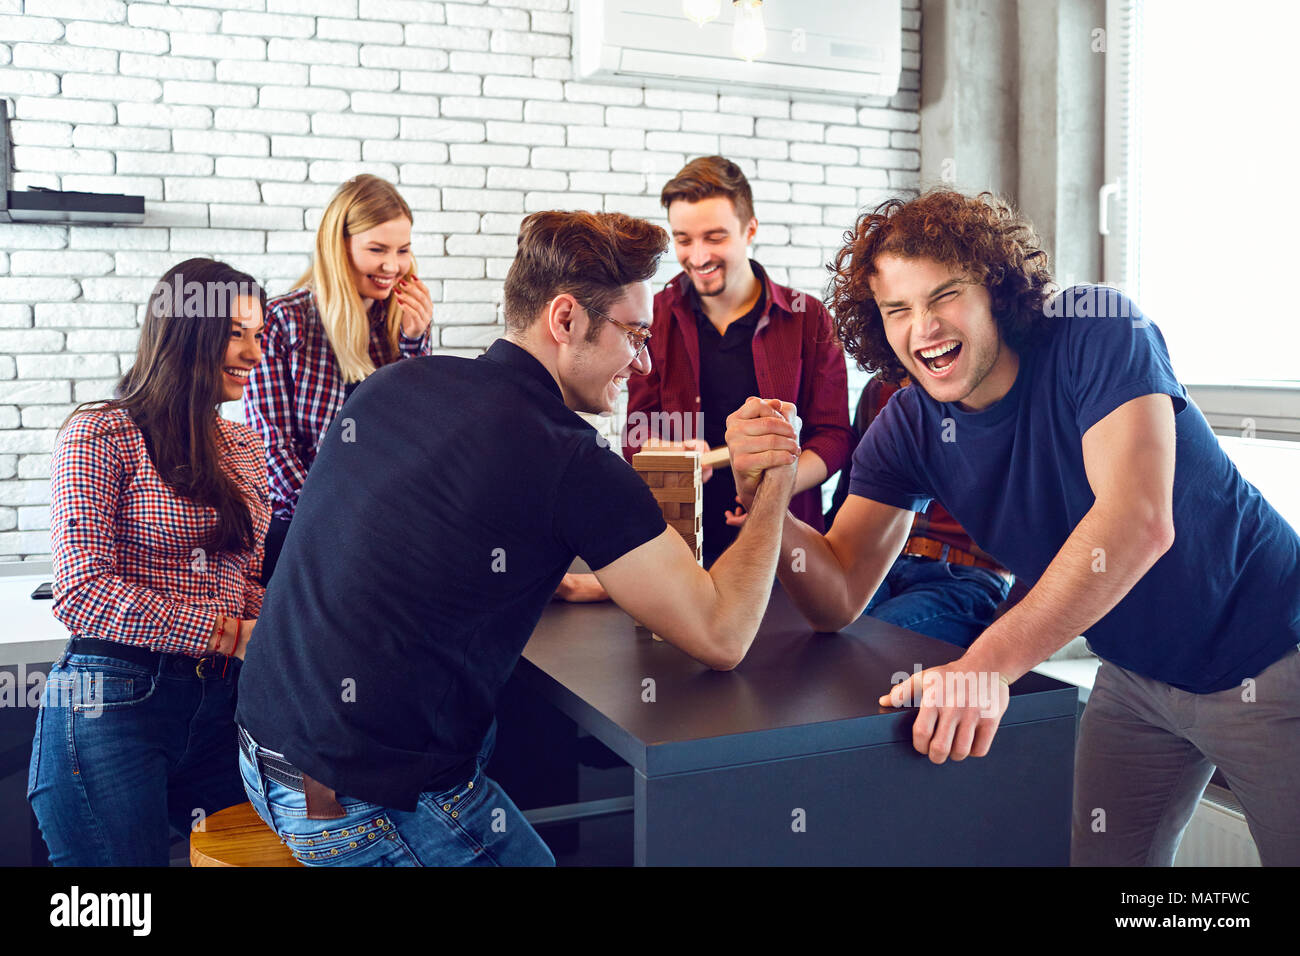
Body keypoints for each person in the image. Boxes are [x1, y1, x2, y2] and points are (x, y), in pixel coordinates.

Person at [728, 189, 1300, 866]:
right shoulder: (909, 423)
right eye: (898, 310)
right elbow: (838, 596)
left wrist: (982, 668)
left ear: (998, 291)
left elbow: (1138, 521)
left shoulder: (1102, 331)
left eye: (945, 296)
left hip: (1270, 652)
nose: (924, 328)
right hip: (1135, 674)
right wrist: (766, 492)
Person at [233, 211, 801, 867]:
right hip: (365, 809)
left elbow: (402, 542)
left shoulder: (393, 385)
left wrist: (569, 580)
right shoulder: (571, 459)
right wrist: (778, 481)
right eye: (634, 335)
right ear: (565, 320)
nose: (641, 361)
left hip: (262, 759)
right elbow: (723, 633)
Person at [28, 259, 270, 866]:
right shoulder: (101, 432)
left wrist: (296, 631)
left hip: (221, 708)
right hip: (113, 702)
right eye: (237, 334)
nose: (253, 354)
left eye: (258, 336)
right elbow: (82, 591)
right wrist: (229, 633)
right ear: (186, 330)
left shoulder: (242, 445)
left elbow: (246, 581)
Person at [623, 155, 854, 568]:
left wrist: (770, 496)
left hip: (786, 548)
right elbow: (635, 434)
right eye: (683, 239)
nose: (697, 256)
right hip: (679, 550)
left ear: (750, 230)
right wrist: (663, 451)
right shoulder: (653, 318)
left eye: (714, 237)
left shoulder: (809, 317)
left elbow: (834, 437)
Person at [242, 174, 434, 583]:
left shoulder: (401, 320)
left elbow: (420, 432)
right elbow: (271, 447)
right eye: (377, 249)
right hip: (300, 528)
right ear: (339, 247)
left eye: (403, 250)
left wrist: (416, 341)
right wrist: (338, 520)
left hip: (383, 525)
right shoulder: (282, 321)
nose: (392, 266)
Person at [826, 372, 1014, 647]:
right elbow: (848, 493)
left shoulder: (1001, 389)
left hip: (965, 573)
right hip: (878, 563)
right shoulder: (880, 389)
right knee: (822, 635)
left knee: (864, 647)